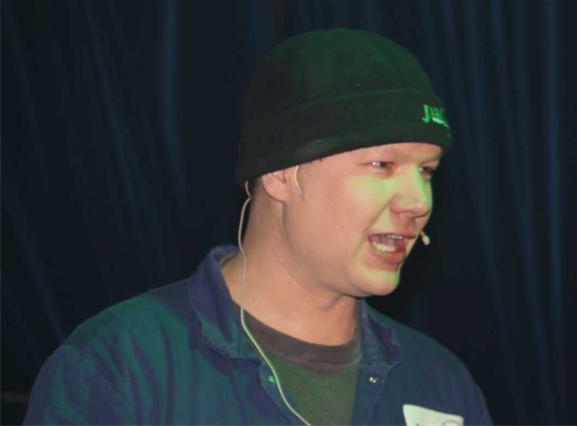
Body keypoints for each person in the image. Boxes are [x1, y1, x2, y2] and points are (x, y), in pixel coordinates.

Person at [24, 29, 492, 425]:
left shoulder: (441, 384)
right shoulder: (123, 369)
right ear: (280, 174)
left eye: (427, 171)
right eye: (381, 164)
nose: (418, 202)